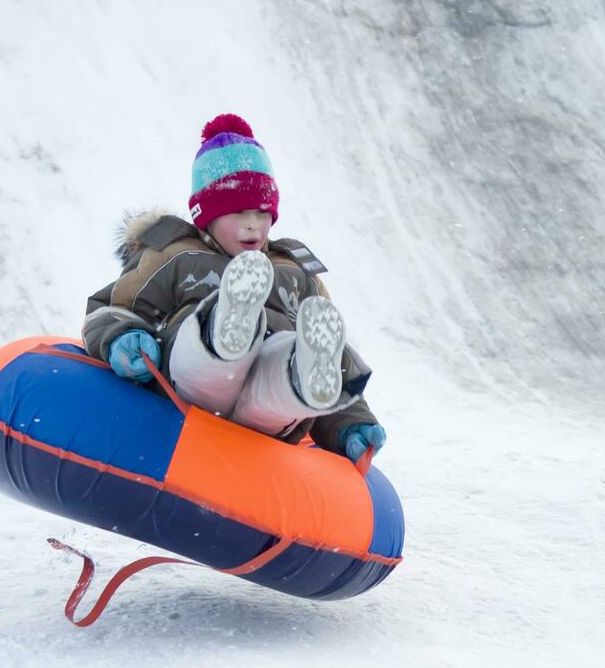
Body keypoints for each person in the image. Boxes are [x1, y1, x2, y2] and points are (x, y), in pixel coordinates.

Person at [83, 114, 387, 462]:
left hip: (265, 419)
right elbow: (111, 308)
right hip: (191, 391)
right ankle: (223, 331)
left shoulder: (295, 272)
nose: (252, 225)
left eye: (262, 212)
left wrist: (352, 422)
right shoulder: (176, 255)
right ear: (206, 215)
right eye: (238, 212)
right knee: (200, 355)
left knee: (285, 363)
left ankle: (299, 378)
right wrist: (124, 336)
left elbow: (328, 350)